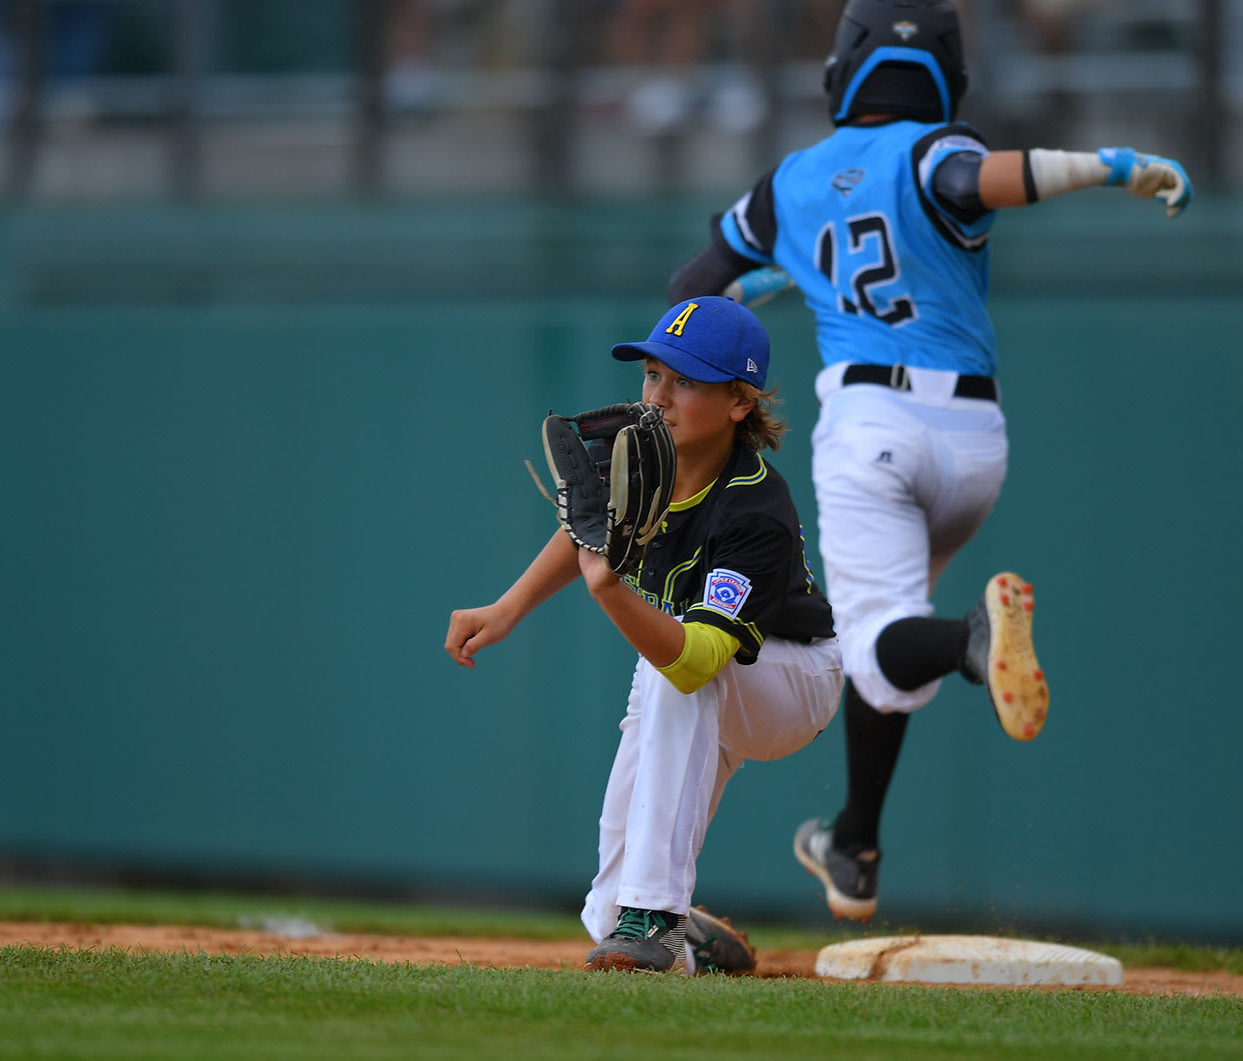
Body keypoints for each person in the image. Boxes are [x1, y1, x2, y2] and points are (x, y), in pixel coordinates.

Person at [663, 0, 1191, 921]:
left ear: (843, 68)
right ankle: (854, 845)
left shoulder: (789, 183)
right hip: (975, 444)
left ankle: (972, 645)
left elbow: (692, 291)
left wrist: (773, 279)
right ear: (947, 71)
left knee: (879, 640)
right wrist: (1112, 169)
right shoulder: (933, 148)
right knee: (880, 646)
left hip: (870, 421)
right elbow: (973, 182)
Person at [446, 297, 840, 973]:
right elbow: (586, 531)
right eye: (652, 374)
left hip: (791, 679)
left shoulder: (754, 510)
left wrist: (608, 590)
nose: (658, 396)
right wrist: (508, 608)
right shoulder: (643, 459)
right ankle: (678, 934)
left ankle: (655, 914)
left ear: (739, 402)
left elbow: (696, 662)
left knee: (670, 664)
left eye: (684, 381)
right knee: (606, 915)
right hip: (704, 675)